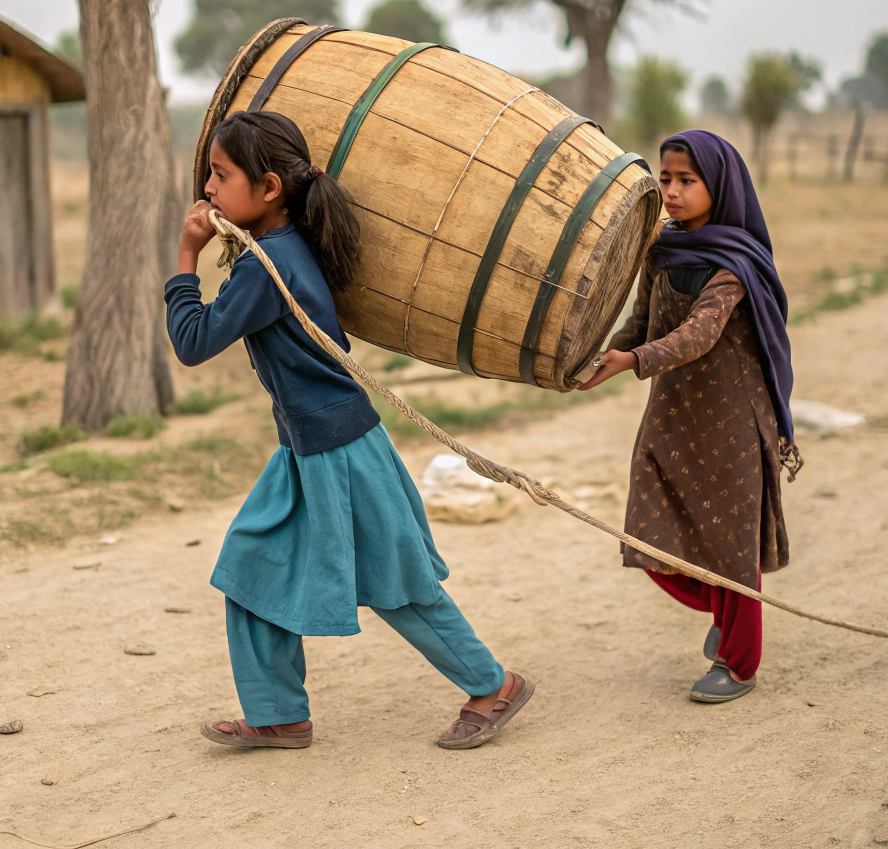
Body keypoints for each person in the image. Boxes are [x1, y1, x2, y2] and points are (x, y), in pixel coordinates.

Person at [164, 110, 533, 749]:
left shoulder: (263, 267)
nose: (209, 190)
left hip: (340, 449)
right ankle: (279, 713)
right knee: (252, 567)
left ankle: (492, 684)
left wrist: (186, 256)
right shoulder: (282, 248)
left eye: (221, 176)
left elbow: (192, 342)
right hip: (306, 448)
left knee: (398, 584)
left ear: (271, 188)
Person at [578, 129, 802, 703]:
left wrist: (634, 360)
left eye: (686, 180)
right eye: (666, 178)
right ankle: (729, 615)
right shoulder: (663, 250)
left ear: (718, 186)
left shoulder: (734, 264)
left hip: (732, 416)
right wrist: (595, 355)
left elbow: (698, 335)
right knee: (650, 522)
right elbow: (644, 322)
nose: (671, 191)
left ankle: (740, 663)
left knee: (730, 543)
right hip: (674, 412)